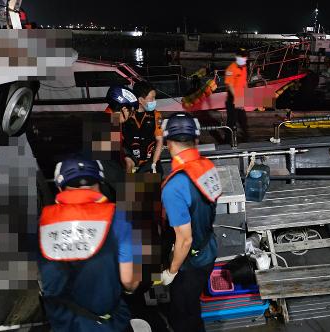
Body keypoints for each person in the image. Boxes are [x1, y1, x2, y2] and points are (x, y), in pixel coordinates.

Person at [37, 159, 139, 331]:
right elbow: (129, 280)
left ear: (61, 188)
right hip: (105, 322)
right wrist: (129, 290)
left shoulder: (41, 223)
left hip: (63, 322)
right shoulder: (120, 219)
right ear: (99, 184)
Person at [159, 113, 222, 332]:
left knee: (184, 316)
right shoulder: (207, 166)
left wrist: (172, 271)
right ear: (196, 140)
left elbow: (184, 240)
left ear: (168, 142)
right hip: (208, 249)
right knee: (191, 304)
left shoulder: (175, 186)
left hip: (190, 261)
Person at [122, 81, 164, 174]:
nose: (154, 101)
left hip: (149, 162)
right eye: (151, 98)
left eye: (155, 98)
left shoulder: (156, 115)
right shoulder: (125, 114)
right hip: (130, 161)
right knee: (130, 185)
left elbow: (159, 141)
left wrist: (153, 163)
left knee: (145, 184)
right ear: (140, 100)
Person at [224, 48, 249, 142]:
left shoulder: (244, 67)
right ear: (237, 57)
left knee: (243, 120)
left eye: (244, 56)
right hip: (232, 98)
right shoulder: (231, 68)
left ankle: (246, 139)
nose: (243, 58)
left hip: (240, 97)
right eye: (241, 56)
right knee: (231, 121)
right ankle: (227, 141)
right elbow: (230, 85)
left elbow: (244, 82)